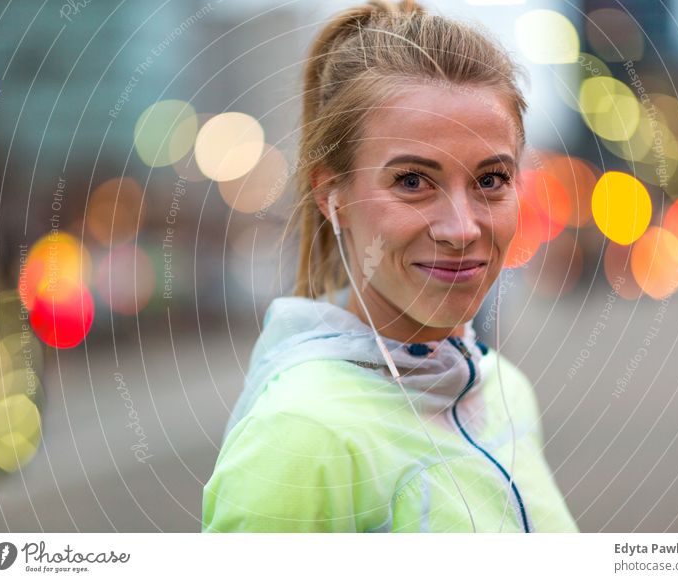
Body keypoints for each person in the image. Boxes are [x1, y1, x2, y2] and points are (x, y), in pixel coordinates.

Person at [202, 0, 578, 533]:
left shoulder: (503, 389)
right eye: (411, 181)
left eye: (491, 180)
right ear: (332, 197)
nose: (462, 228)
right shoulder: (300, 433)